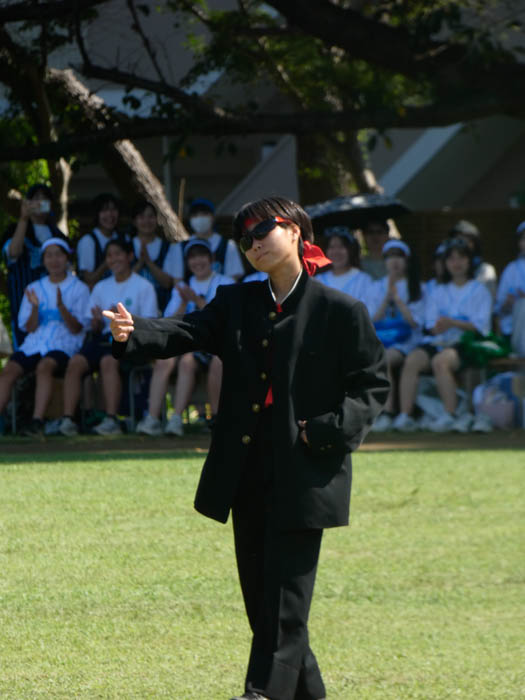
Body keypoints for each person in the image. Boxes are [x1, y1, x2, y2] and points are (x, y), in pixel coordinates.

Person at [104, 196, 389, 700]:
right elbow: (188, 329)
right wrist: (136, 331)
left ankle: (259, 694)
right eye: (245, 238)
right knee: (265, 606)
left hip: (304, 473)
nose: (253, 243)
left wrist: (321, 429)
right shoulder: (236, 301)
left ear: (297, 231)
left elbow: (371, 388)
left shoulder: (341, 310)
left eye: (263, 230)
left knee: (284, 607)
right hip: (245, 472)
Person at [58, 237, 158, 437]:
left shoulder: (144, 286)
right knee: (76, 362)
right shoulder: (101, 287)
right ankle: (68, 420)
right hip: (103, 338)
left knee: (107, 361)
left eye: (118, 254)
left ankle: (111, 419)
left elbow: (151, 323)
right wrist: (95, 322)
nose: (113, 259)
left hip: (130, 338)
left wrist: (124, 319)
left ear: (130, 256)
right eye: (109, 255)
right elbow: (92, 326)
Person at [136, 238, 234, 437]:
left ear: (212, 258)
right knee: (163, 361)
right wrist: (183, 303)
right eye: (192, 257)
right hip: (187, 343)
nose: (197, 261)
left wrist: (196, 300)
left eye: (202, 256)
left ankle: (181, 418)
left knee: (188, 362)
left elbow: (224, 319)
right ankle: (154, 419)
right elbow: (171, 322)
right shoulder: (181, 287)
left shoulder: (225, 283)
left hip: (214, 344)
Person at [395, 238, 492, 433]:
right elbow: (430, 324)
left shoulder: (479, 289)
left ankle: (451, 414)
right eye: (451, 259)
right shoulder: (438, 291)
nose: (456, 263)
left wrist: (452, 323)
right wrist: (439, 326)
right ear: (445, 263)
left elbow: (481, 327)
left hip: (466, 343)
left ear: (469, 261)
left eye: (461, 258)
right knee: (413, 360)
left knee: (440, 362)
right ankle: (405, 415)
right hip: (438, 340)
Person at [0, 238, 89, 436]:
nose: (54, 260)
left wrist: (61, 307)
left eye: (58, 254)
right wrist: (33, 307)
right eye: (49, 255)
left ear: (67, 258)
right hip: (35, 344)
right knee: (9, 370)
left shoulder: (79, 288)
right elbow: (30, 328)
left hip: (64, 345)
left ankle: (37, 421)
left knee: (45, 367)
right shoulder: (34, 288)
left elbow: (76, 329)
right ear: (43, 260)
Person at [1, 184, 67, 348]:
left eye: (44, 199)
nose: (40, 202)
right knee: (26, 345)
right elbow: (13, 253)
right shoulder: (13, 230)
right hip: (24, 298)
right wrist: (23, 218)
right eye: (35, 199)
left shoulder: (58, 235)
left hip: (55, 302)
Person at [370, 240, 425, 432]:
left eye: (399, 256)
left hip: (408, 342)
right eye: (390, 256)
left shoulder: (417, 287)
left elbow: (416, 323)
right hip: (382, 340)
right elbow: (372, 319)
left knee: (384, 359)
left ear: (407, 260)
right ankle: (384, 412)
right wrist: (387, 297)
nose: (395, 261)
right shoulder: (376, 286)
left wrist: (399, 300)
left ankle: (393, 412)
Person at [169, 198, 245, 281]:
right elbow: (177, 281)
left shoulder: (228, 246)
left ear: (213, 217)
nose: (199, 218)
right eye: (195, 215)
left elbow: (234, 278)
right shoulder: (179, 247)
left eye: (204, 214)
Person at [130, 199, 174, 312]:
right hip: (131, 307)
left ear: (157, 219)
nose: (146, 221)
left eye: (150, 216)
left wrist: (148, 262)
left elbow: (167, 283)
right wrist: (140, 263)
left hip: (161, 309)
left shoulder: (168, 247)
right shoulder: (126, 245)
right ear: (134, 221)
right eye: (141, 217)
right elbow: (123, 280)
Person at [316, 226, 374, 305]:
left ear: (350, 250)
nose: (336, 252)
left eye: (341, 246)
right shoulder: (318, 281)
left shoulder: (364, 280)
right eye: (332, 247)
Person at [76, 193, 121, 288]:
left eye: (113, 209)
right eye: (104, 210)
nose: (110, 214)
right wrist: (108, 262)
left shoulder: (123, 237)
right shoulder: (88, 241)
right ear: (96, 214)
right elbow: (88, 279)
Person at [448, 219, 497, 297]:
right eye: (457, 239)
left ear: (474, 243)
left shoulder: (485, 270)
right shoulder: (447, 269)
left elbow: (490, 299)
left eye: (466, 240)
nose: (461, 244)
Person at [495, 221, 525, 340]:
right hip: (514, 331)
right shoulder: (511, 269)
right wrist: (508, 303)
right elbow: (499, 309)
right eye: (524, 238)